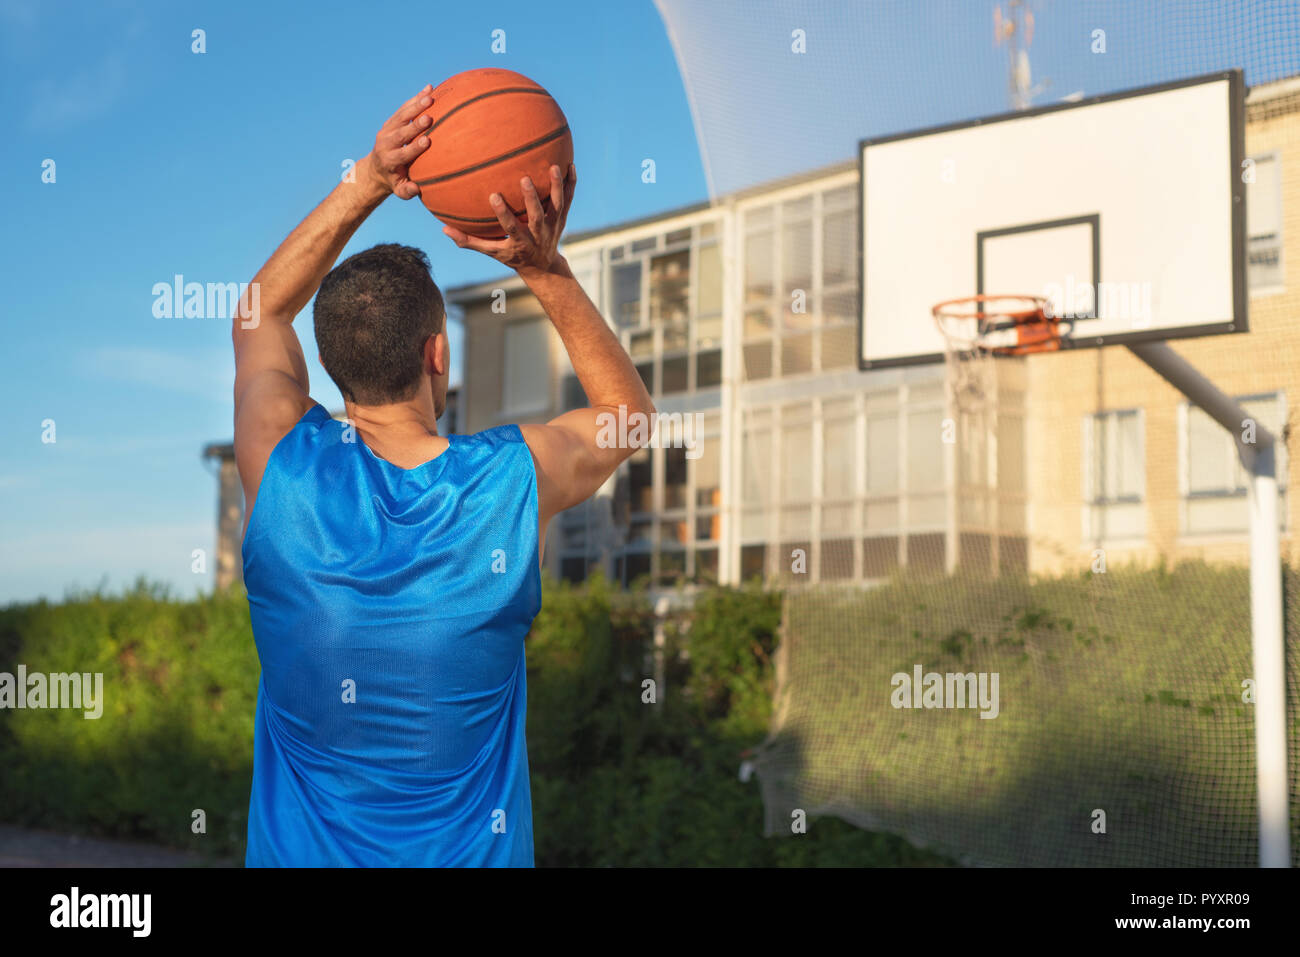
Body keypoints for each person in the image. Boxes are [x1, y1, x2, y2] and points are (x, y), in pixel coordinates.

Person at [231, 85, 655, 866]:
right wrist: (544, 266)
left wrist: (368, 178)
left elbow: (259, 311)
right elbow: (628, 415)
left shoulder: (280, 467)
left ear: (327, 369)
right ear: (440, 355)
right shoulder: (505, 485)